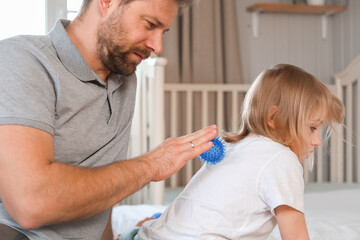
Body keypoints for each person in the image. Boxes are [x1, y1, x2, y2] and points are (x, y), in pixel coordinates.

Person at [0, 0, 218, 239]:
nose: (157, 46)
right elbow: (30, 204)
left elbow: (101, 198)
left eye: (163, 32)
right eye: (150, 24)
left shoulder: (124, 81)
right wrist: (151, 165)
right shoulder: (22, 60)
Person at [132, 64, 344, 240]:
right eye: (312, 128)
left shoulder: (236, 147)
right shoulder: (282, 159)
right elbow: (296, 236)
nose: (317, 141)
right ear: (274, 118)